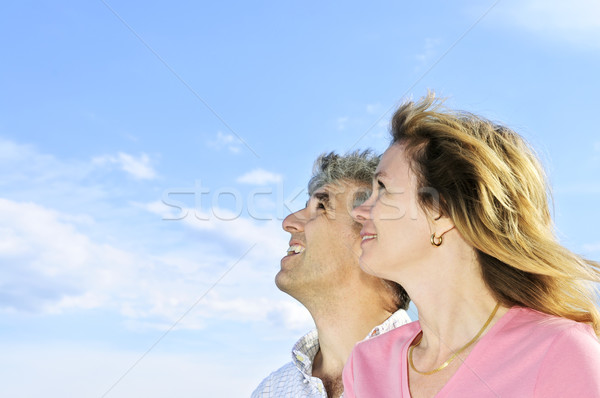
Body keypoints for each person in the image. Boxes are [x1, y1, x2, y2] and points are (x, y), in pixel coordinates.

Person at [343, 93, 600, 397]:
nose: (358, 211)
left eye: (383, 188)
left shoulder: (560, 351)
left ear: (443, 211)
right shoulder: (366, 365)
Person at [252, 151, 411, 398]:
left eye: (322, 207)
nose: (288, 222)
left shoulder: (434, 373)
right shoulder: (271, 390)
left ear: (372, 236)